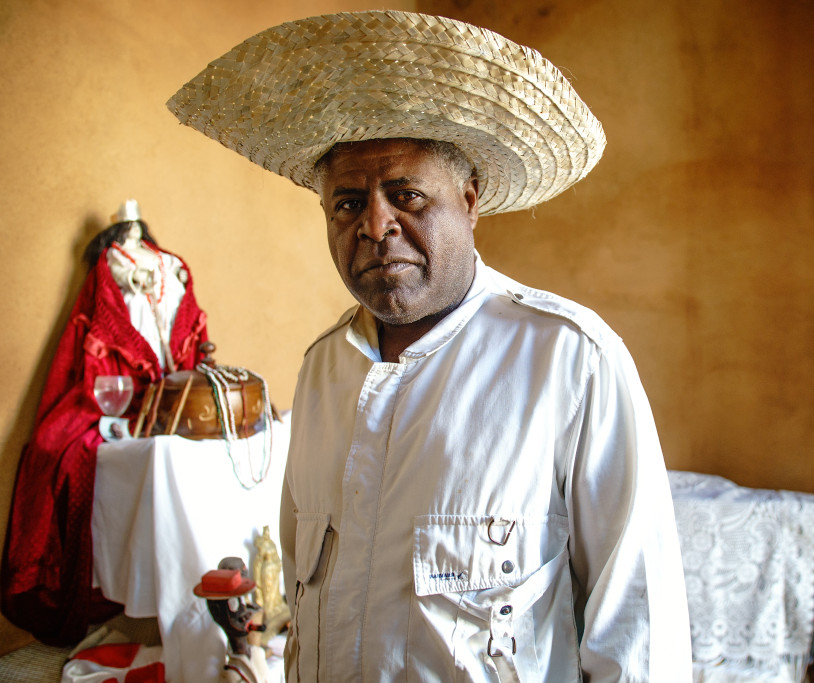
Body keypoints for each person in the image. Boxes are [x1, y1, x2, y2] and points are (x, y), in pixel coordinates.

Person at [168, 10, 691, 681]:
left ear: (469, 201)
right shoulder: (324, 368)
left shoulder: (569, 359)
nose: (375, 225)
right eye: (348, 204)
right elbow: (304, 587)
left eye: (407, 195)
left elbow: (639, 636)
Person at [1, 200, 209, 644]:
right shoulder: (109, 265)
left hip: (171, 382)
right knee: (51, 449)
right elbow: (97, 331)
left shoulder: (171, 263)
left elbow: (189, 320)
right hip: (124, 387)